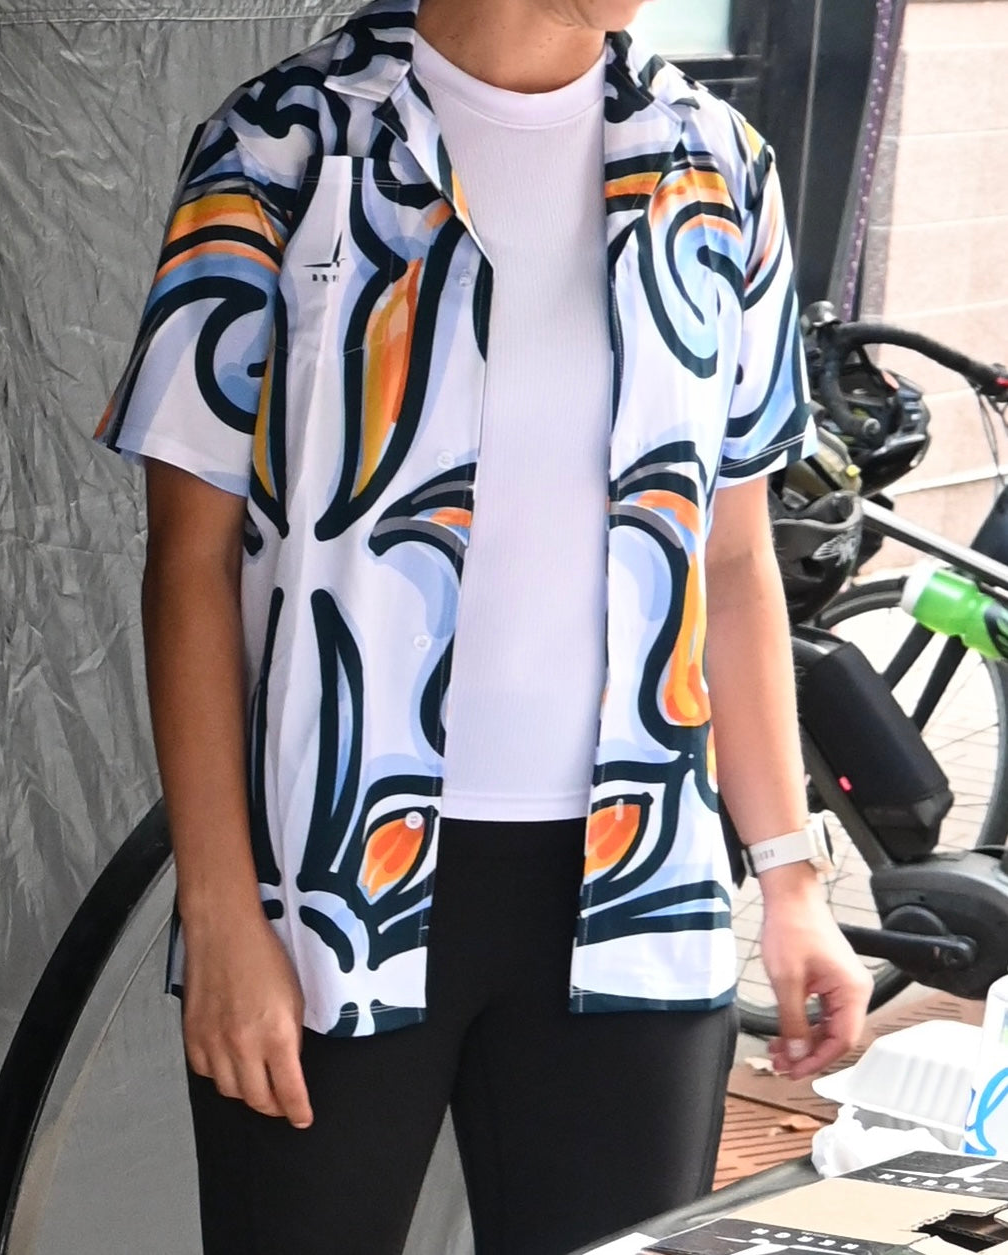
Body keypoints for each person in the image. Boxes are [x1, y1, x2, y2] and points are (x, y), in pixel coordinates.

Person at [95, 0, 873, 1251]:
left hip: (635, 892)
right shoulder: (285, 144)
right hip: (333, 896)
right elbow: (187, 564)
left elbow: (731, 561)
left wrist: (790, 878)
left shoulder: (718, 165)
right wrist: (223, 913)